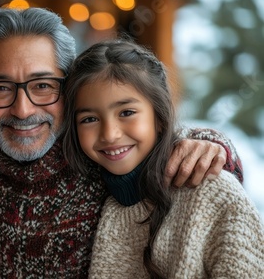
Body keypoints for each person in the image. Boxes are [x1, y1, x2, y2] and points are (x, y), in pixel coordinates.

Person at [0, 7, 243, 278]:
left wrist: (215, 147)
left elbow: (152, 141)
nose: (23, 110)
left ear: (68, 91)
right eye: (0, 88)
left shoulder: (97, 157)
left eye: (42, 85)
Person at [63, 39, 264, 278]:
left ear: (159, 116)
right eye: (89, 119)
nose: (109, 134)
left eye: (127, 112)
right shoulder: (86, 194)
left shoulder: (210, 192)